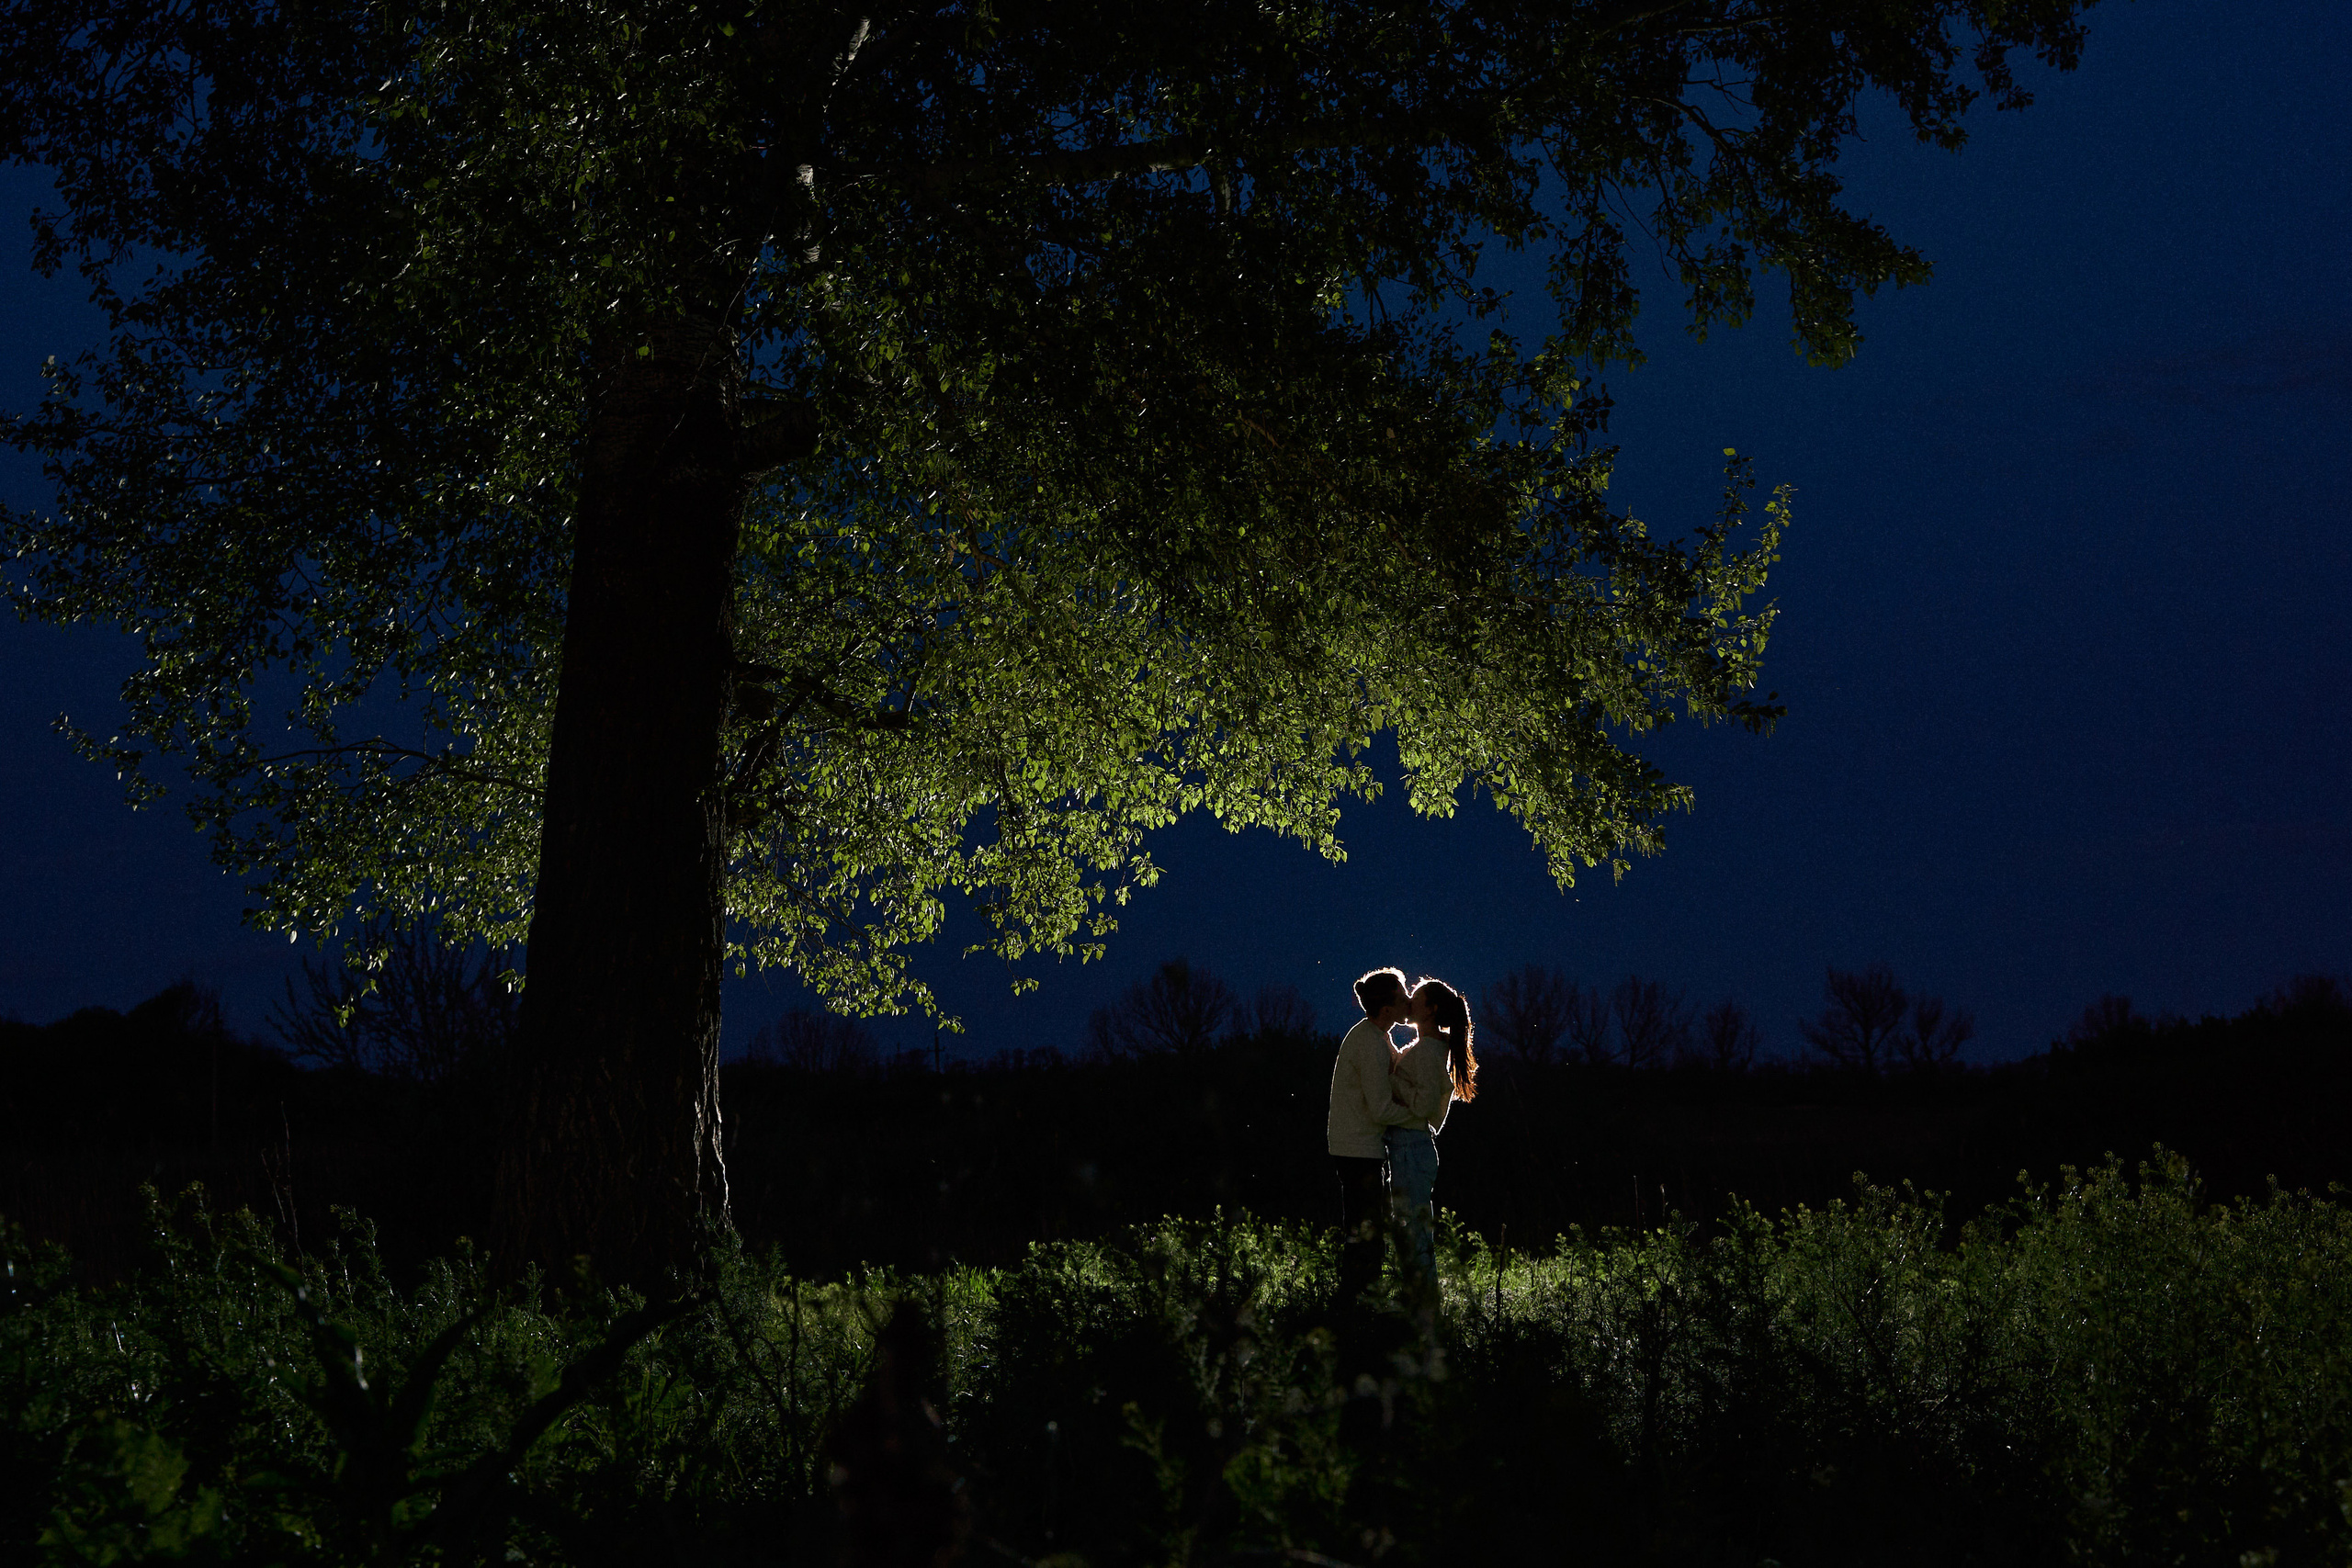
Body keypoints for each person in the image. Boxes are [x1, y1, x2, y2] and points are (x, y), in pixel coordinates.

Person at [1380, 977, 1478, 1301]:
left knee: (1413, 1232)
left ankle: (1422, 1305)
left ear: (1431, 1009)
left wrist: (1393, 1083)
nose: (1410, 999)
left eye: (1417, 997)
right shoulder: (1432, 1047)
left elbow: (1422, 1105)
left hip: (1410, 1147)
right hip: (1413, 1149)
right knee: (1415, 1229)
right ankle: (1422, 1303)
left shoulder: (1427, 1051)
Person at [1329, 966, 1411, 1319]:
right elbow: (1380, 1109)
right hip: (1358, 1152)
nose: (1409, 1000)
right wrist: (1420, 1118)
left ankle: (1356, 1306)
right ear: (1388, 1010)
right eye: (1402, 995)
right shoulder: (1371, 1045)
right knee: (1367, 1237)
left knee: (1364, 1234)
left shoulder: (1373, 1037)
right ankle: (1359, 1309)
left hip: (1355, 1148)